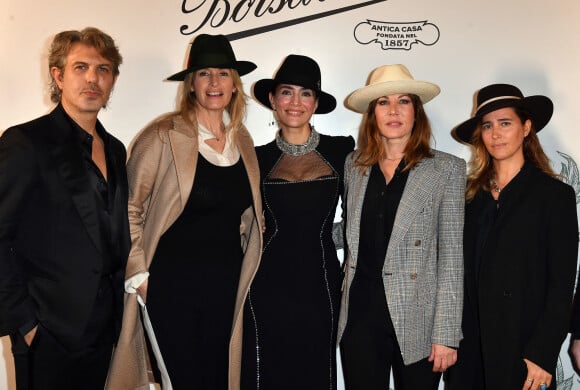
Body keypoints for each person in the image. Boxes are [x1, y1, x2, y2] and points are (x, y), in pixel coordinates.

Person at [105, 34, 263, 390]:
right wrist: (139, 275)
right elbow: (128, 208)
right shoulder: (162, 135)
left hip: (225, 287)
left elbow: (245, 218)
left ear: (235, 85)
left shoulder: (244, 141)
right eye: (204, 73)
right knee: (183, 380)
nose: (214, 83)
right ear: (191, 84)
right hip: (171, 288)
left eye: (223, 73)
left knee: (219, 380)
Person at [0, 27, 130, 389]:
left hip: (108, 332)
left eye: (103, 69)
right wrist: (26, 325)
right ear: (57, 75)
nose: (93, 78)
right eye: (81, 67)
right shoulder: (25, 142)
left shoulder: (117, 150)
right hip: (49, 335)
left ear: (113, 79)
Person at [337, 64, 465, 390]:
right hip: (361, 316)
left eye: (403, 101)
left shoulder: (446, 169)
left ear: (416, 111)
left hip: (419, 321)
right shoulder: (354, 165)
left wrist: (447, 333)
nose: (393, 110)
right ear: (372, 114)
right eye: (383, 102)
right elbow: (354, 231)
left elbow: (451, 255)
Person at [448, 83, 579, 390]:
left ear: (526, 127)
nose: (496, 134)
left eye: (505, 123)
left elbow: (561, 284)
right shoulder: (466, 196)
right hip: (468, 350)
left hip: (523, 350)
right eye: (488, 126)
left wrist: (543, 353)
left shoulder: (554, 195)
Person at [241, 54, 354, 390]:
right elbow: (239, 221)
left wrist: (329, 236)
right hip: (265, 283)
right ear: (273, 101)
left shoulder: (342, 151)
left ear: (316, 102)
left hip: (321, 284)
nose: (295, 102)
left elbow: (358, 220)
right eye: (286, 92)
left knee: (317, 371)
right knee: (267, 371)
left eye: (305, 93)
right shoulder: (255, 157)